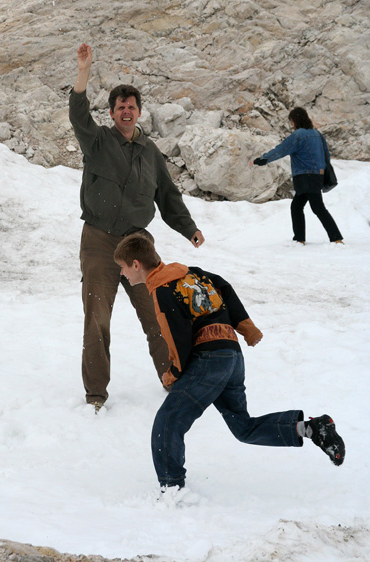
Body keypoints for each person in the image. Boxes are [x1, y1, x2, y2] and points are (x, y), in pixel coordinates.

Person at [113, 232, 345, 490]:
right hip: (232, 355)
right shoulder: (192, 272)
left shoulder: (162, 290)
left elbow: (178, 337)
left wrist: (174, 372)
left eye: (122, 268)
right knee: (243, 427)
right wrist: (246, 326)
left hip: (209, 359)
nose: (122, 274)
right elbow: (224, 287)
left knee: (168, 421)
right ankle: (312, 429)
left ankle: (171, 489)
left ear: (136, 264)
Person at [69, 43, 205, 411]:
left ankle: (172, 377)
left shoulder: (151, 152)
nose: (126, 112)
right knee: (97, 319)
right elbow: (78, 114)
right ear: (112, 113)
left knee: (157, 313)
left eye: (131, 107)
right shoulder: (97, 141)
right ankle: (96, 394)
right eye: (120, 107)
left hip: (138, 245)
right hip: (99, 240)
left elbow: (168, 195)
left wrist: (188, 227)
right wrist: (84, 71)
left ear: (139, 112)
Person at [251, 107, 343, 244]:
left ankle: (336, 238)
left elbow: (281, 150)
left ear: (294, 120)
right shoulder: (317, 134)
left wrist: (263, 159)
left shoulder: (298, 135)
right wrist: (322, 171)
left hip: (304, 176)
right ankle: (300, 239)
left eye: (291, 120)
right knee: (297, 206)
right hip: (316, 175)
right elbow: (326, 155)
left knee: (317, 207)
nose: (291, 123)